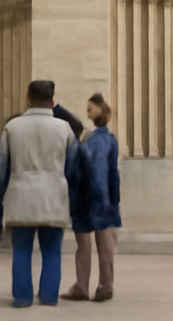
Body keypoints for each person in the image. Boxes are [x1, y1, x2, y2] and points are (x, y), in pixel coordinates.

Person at [0, 81, 80, 309]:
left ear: (27, 99)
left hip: (21, 193)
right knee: (52, 250)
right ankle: (49, 296)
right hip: (53, 194)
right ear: (52, 101)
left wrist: (0, 196)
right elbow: (75, 166)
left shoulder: (12, 127)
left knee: (21, 249)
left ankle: (22, 297)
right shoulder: (64, 128)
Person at [64, 94, 121, 303]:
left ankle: (82, 285)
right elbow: (113, 174)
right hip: (105, 198)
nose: (87, 113)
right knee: (106, 244)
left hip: (88, 198)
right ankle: (105, 284)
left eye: (90, 109)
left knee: (84, 244)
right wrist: (113, 199)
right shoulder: (109, 139)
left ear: (98, 111)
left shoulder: (91, 142)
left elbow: (85, 169)